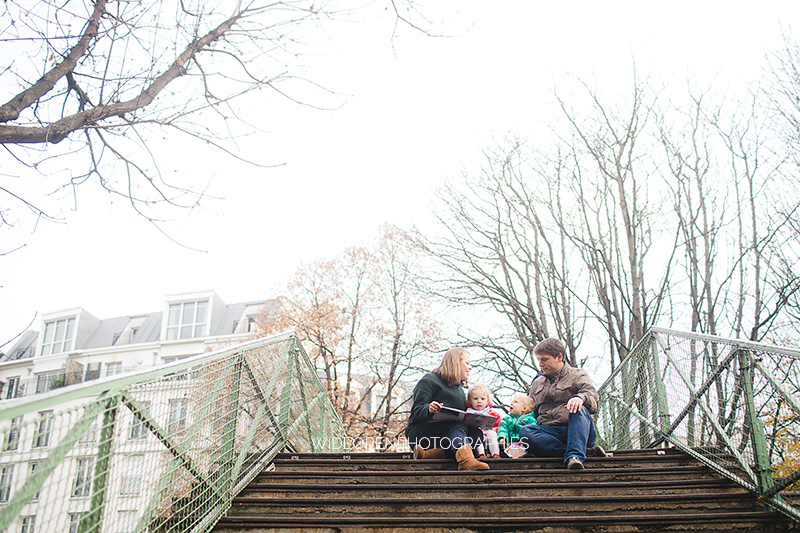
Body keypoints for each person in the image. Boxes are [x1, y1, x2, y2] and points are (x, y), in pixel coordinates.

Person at [518, 338, 606, 470]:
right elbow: (531, 412)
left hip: (576, 429)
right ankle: (581, 452)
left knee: (578, 409)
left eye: (545, 359)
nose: (540, 364)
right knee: (526, 431)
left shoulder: (578, 375)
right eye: (539, 360)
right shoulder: (537, 383)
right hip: (549, 434)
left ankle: (575, 456)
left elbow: (593, 401)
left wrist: (580, 398)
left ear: (559, 357)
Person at [406, 347, 489, 470]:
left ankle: (428, 455)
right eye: (467, 363)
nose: (470, 367)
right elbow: (416, 409)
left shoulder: (460, 390)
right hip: (423, 434)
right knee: (456, 426)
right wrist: (429, 408)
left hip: (446, 437)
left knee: (475, 434)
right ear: (455, 363)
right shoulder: (429, 380)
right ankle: (466, 461)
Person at [465, 383, 502, 458]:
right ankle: (481, 454)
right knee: (476, 435)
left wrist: (495, 429)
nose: (479, 401)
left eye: (482, 399)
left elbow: (499, 424)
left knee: (492, 434)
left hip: (488, 431)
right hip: (476, 433)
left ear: (487, 401)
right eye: (475, 399)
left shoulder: (491, 413)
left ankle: (495, 454)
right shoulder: (468, 412)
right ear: (470, 401)